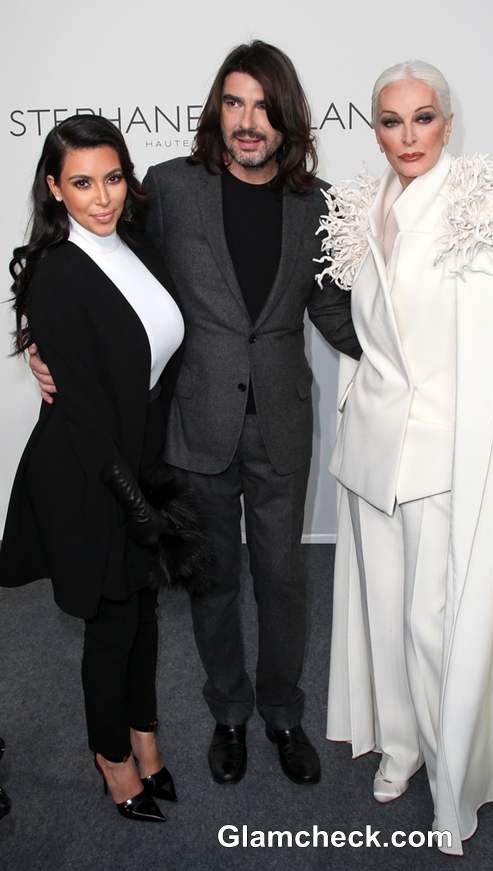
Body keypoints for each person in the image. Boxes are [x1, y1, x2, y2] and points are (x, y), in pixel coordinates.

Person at [28, 41, 361, 787]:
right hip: (193, 422)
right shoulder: (170, 189)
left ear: (287, 119)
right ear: (218, 109)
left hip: (281, 423)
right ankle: (230, 715)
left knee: (283, 579)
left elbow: (337, 314)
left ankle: (282, 711)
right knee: (211, 580)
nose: (248, 122)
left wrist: (411, 349)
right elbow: (108, 272)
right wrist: (38, 340)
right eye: (235, 103)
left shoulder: (320, 205)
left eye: (264, 107)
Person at [320, 61, 493, 864]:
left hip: (442, 456)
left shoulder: (482, 207)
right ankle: (400, 745)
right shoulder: (366, 206)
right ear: (374, 129)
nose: (407, 137)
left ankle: (454, 776)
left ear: (447, 122)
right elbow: (361, 332)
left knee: (435, 627)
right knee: (388, 615)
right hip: (373, 451)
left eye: (422, 119)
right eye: (391, 122)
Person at [0, 115, 187, 822]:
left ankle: (145, 736)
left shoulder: (133, 245)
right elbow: (81, 410)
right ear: (55, 188)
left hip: (137, 462)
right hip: (88, 474)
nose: (102, 196)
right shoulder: (57, 273)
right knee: (112, 625)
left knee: (143, 617)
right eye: (82, 182)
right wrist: (132, 502)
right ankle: (112, 758)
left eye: (113, 177)